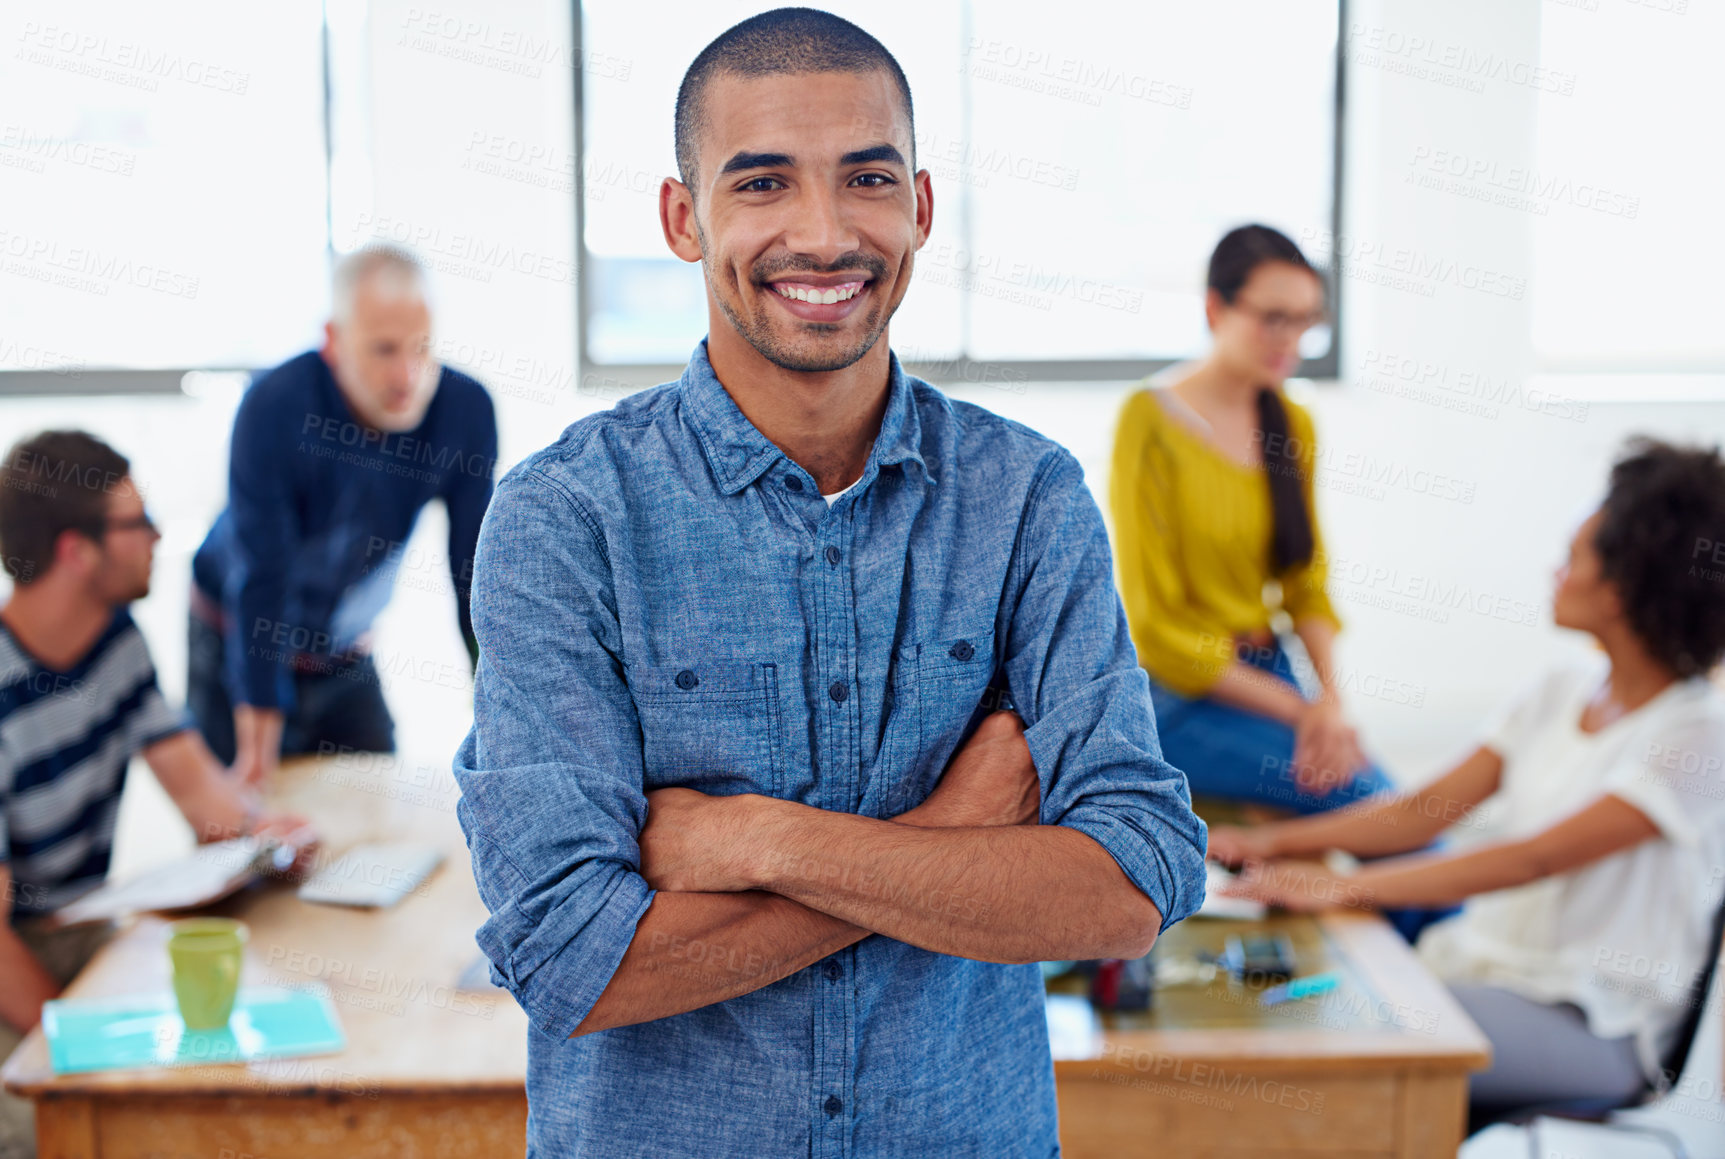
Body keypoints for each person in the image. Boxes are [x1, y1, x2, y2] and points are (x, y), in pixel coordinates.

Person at [452, 10, 1207, 1157]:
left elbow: (1133, 883)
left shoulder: (1027, 500)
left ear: (920, 208)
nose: (823, 232)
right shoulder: (566, 518)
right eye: (761, 183)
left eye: (866, 177)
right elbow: (573, 961)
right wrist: (949, 831)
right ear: (683, 217)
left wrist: (762, 840)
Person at [1210, 437, 1725, 1121]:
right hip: (1487, 971)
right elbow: (1423, 809)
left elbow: (1529, 858)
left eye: (1572, 557)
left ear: (1624, 585)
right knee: (1291, 1014)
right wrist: (1272, 846)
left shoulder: (1698, 735)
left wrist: (1337, 884)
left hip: (1593, 1021)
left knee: (1334, 1045)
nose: (1553, 571)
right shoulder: (1557, 690)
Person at [0, 431, 316, 1159]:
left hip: (75, 934)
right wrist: (84, 1044)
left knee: (231, 1072)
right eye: (135, 521)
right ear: (77, 550)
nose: (157, 536)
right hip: (18, 968)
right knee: (116, 1133)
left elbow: (203, 798)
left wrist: (266, 837)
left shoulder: (116, 641)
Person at [189, 245, 498, 788]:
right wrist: (259, 739)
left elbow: (474, 574)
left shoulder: (465, 410)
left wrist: (502, 719)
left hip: (344, 648)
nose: (408, 375)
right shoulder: (274, 407)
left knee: (376, 813)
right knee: (245, 827)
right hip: (238, 633)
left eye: (422, 348)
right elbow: (263, 575)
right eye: (383, 349)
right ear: (333, 341)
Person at [1110, 223, 1391, 814]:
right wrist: (1305, 711)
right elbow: (1156, 631)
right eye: (1273, 318)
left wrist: (1331, 704)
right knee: (1372, 805)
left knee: (1383, 803)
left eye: (1305, 321)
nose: (1290, 339)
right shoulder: (1150, 421)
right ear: (1217, 308)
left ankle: (1389, 905)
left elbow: (1305, 584)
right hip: (1179, 693)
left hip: (1271, 673)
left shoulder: (1292, 421)